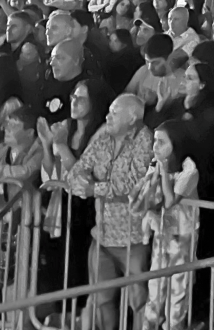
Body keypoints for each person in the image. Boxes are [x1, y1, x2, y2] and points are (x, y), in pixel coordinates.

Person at [65, 93, 153, 330]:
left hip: (133, 238)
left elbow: (135, 183)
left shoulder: (145, 140)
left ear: (132, 117)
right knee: (101, 301)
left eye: (114, 112)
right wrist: (82, 180)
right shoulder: (103, 136)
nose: (107, 116)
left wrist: (95, 188)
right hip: (102, 235)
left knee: (140, 301)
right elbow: (78, 169)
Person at [129, 120, 199, 330]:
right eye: (154, 142)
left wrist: (163, 171)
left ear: (175, 145)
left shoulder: (189, 170)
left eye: (161, 142)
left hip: (182, 235)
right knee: (155, 286)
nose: (155, 147)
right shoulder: (155, 163)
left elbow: (169, 201)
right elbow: (139, 198)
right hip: (162, 231)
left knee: (178, 291)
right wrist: (149, 178)